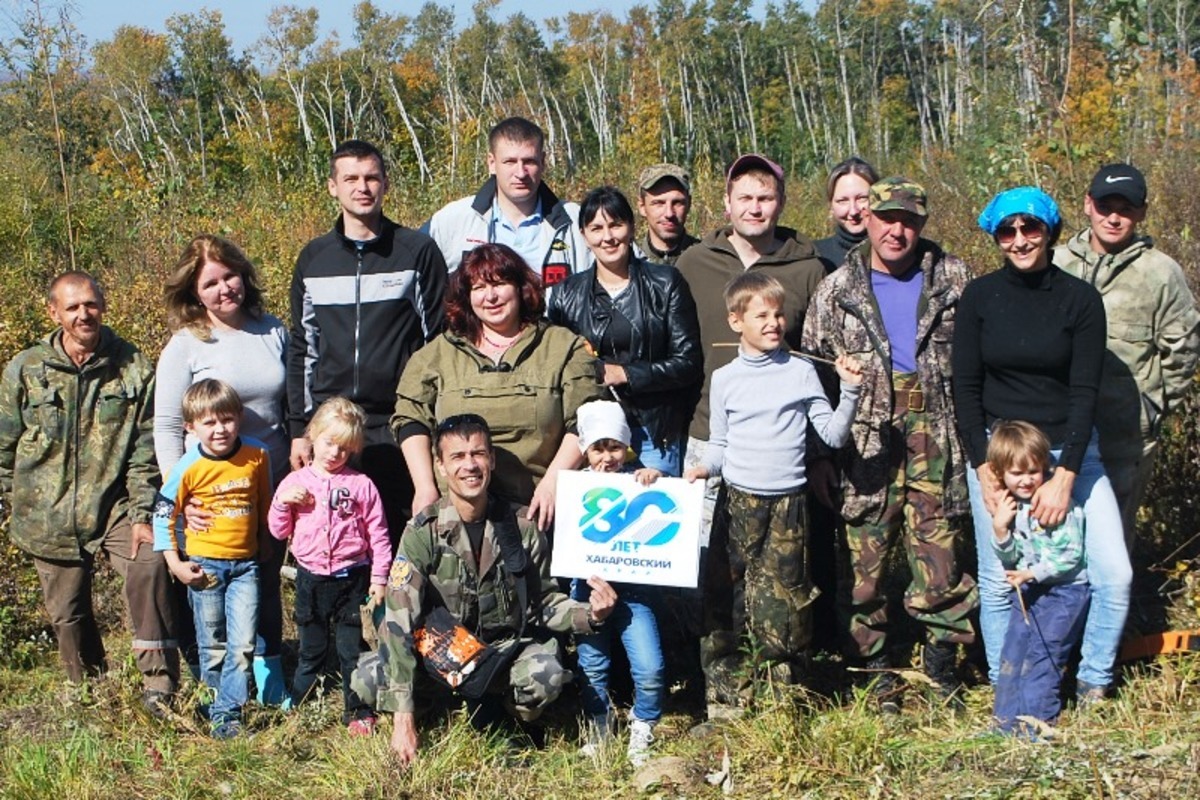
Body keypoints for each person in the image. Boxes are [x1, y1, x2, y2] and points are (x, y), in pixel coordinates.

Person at [801, 178, 978, 710]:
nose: (896, 230)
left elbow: (978, 367)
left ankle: (943, 668)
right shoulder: (838, 290)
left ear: (921, 224)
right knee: (864, 570)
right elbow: (812, 381)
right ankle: (873, 674)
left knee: (941, 563)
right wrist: (819, 458)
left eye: (908, 220)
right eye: (886, 219)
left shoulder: (954, 279)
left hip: (937, 436)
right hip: (864, 445)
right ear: (868, 220)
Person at [954, 186, 1129, 704]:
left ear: (1049, 231)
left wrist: (1066, 474)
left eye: (1030, 227)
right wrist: (982, 467)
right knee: (998, 577)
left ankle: (1093, 680)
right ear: (996, 237)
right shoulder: (980, 298)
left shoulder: (1080, 300)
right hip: (998, 455)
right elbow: (964, 386)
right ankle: (1006, 680)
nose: (1020, 239)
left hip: (1068, 452)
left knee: (1112, 573)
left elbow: (1085, 391)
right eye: (1007, 231)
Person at [375, 414, 618, 766]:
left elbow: (545, 602)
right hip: (441, 654)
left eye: (478, 454)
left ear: (491, 460)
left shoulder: (521, 527)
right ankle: (430, 711)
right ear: (440, 467)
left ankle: (509, 718)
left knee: (545, 675)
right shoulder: (422, 531)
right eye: (457, 457)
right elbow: (399, 619)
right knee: (370, 677)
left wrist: (590, 614)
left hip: (501, 654)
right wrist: (403, 719)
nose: (470, 465)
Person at [0, 272, 178, 715]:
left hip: (114, 504)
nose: (84, 314)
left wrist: (142, 512)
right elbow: (4, 443)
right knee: (68, 613)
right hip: (47, 512)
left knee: (150, 564)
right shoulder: (26, 369)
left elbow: (145, 451)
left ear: (103, 305)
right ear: (54, 313)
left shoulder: (132, 367)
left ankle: (159, 684)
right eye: (73, 307)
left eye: (91, 304)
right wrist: (11, 502)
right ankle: (91, 693)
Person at [685, 272, 862, 713]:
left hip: (789, 507)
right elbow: (721, 445)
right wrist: (703, 469)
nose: (773, 323)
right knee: (729, 598)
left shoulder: (802, 372)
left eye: (778, 314)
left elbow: (834, 435)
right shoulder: (725, 378)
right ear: (735, 322)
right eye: (761, 315)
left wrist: (851, 391)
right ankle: (727, 697)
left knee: (785, 604)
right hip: (738, 504)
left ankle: (780, 700)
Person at [287, 139, 447, 547]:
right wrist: (300, 428)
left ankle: (400, 612)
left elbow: (438, 343)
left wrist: (436, 419)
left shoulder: (416, 252)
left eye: (372, 177)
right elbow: (304, 347)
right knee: (334, 539)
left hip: (398, 423)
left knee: (398, 539)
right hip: (333, 425)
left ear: (385, 184)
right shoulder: (313, 258)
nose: (363, 187)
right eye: (351, 178)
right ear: (332, 187)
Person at [156, 233, 289, 704]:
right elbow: (168, 424)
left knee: (265, 581)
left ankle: (269, 679)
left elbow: (290, 407)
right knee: (214, 590)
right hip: (211, 494)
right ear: (195, 291)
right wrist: (182, 496)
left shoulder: (272, 330)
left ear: (243, 275)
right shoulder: (186, 344)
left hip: (265, 483)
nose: (223, 289)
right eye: (210, 283)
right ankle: (220, 687)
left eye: (229, 275)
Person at [392, 243, 602, 530]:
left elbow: (587, 419)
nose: (490, 297)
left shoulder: (564, 346)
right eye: (478, 288)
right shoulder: (436, 354)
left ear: (520, 287)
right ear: (466, 297)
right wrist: (425, 487)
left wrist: (554, 483)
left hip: (538, 512)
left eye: (500, 284)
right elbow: (410, 417)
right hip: (456, 514)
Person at [677, 153, 826, 533]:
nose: (755, 209)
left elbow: (822, 358)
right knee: (702, 550)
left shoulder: (808, 268)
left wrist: (821, 453)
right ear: (727, 203)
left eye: (765, 199)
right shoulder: (694, 263)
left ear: (781, 203)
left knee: (773, 560)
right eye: (745, 199)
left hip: (779, 442)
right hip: (708, 430)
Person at [1055, 164, 1200, 545]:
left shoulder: (1161, 273)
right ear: (1088, 205)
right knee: (1054, 532)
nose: (1114, 218)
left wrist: (1152, 407)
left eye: (1126, 208)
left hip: (1124, 434)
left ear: (1141, 212)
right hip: (1055, 427)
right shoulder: (1055, 264)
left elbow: (1183, 348)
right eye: (1105, 206)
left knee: (1113, 540)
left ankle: (1116, 606)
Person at [547, 185, 703, 476]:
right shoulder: (565, 294)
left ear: (631, 228)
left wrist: (626, 374)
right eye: (596, 228)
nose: (607, 237)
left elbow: (689, 363)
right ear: (583, 235)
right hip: (591, 437)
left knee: (654, 516)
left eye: (616, 225)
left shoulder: (666, 283)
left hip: (653, 433)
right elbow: (557, 369)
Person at [152, 380, 272, 739]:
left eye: (227, 420)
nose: (220, 429)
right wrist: (175, 563)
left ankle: (226, 711)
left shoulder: (258, 455)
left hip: (246, 566)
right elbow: (162, 515)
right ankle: (216, 708)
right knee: (213, 643)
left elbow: (265, 502)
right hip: (205, 567)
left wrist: (266, 544)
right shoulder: (187, 467)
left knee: (243, 643)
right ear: (191, 427)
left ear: (238, 418)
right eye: (209, 423)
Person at [269, 397, 392, 734]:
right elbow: (277, 530)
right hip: (310, 579)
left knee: (352, 649)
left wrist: (379, 579)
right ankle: (299, 699)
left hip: (352, 578)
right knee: (312, 648)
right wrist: (281, 503)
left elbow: (379, 535)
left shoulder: (361, 485)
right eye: (328, 443)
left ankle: (358, 710)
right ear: (313, 436)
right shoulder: (295, 484)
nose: (335, 454)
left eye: (344, 448)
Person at [570, 400, 666, 765]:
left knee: (650, 666)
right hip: (587, 589)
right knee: (592, 664)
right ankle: (599, 724)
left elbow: (668, 508)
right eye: (598, 448)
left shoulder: (638, 481)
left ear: (626, 447)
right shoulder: (576, 487)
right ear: (586, 450)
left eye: (614, 447)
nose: (607, 457)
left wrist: (653, 480)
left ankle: (644, 723)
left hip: (635, 593)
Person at [985, 421, 1089, 737]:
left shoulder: (1055, 506)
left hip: (1064, 591)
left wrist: (1033, 572)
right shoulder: (1011, 506)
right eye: (1017, 473)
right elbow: (1010, 557)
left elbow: (1071, 555)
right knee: (1014, 652)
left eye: (1034, 471)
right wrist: (1001, 530)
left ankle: (1036, 726)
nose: (1027, 480)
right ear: (1000, 473)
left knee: (1044, 654)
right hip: (1029, 589)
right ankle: (1004, 724)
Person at [424, 117, 590, 285]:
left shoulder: (577, 222)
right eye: (510, 162)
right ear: (492, 163)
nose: (521, 173)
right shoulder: (452, 220)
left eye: (529, 161)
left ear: (543, 162)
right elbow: (410, 263)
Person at [813, 157, 881, 273]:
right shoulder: (815, 256)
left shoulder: (900, 252)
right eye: (842, 201)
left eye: (862, 198)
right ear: (831, 206)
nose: (853, 211)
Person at [635, 163, 700, 265]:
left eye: (677, 203)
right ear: (642, 207)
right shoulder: (629, 262)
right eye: (659, 203)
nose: (669, 213)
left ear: (689, 204)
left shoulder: (706, 259)